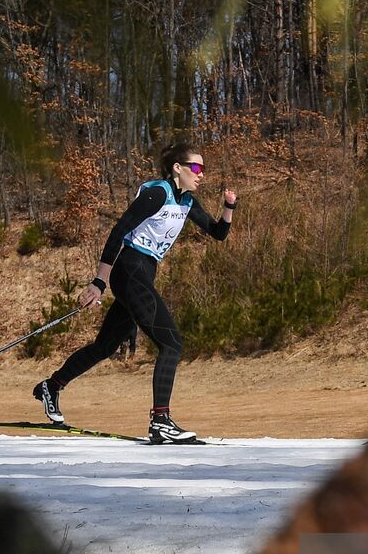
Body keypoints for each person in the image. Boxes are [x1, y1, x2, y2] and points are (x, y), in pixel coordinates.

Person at [33, 143, 235, 443]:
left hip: (142, 274)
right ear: (177, 168)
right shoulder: (157, 194)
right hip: (129, 269)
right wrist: (99, 282)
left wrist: (229, 207)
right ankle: (161, 421)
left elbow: (217, 233)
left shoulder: (187, 202)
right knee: (172, 343)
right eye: (195, 167)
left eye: (203, 169)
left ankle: (51, 385)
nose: (201, 174)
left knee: (105, 346)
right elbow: (118, 231)